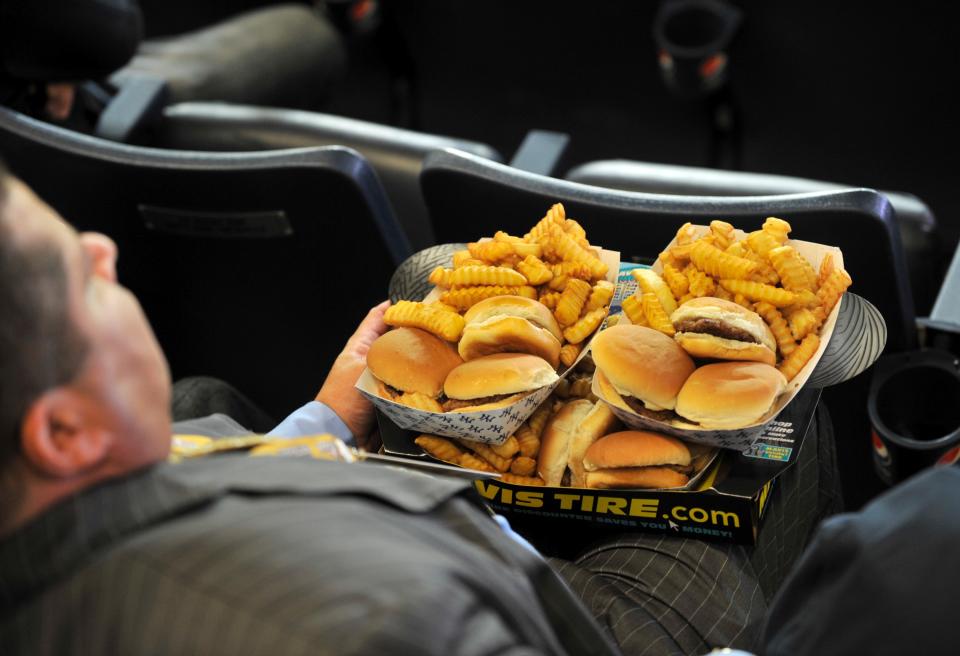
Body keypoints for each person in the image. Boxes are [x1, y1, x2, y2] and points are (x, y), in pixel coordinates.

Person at [0, 164, 846, 655]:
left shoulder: (87, 513)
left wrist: (325, 424)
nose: (102, 246)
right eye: (79, 279)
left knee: (419, 278)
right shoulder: (382, 619)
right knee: (773, 460)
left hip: (401, 529)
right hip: (550, 610)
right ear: (62, 434)